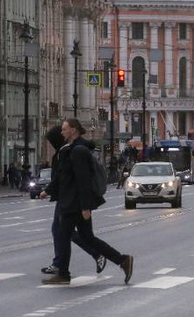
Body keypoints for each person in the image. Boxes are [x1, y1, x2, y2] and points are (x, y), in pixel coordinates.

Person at [41, 118, 134, 286]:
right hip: (73, 201)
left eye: (64, 129)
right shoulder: (71, 149)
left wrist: (85, 207)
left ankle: (63, 274)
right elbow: (64, 176)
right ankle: (122, 260)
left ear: (73, 130)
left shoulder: (78, 151)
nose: (62, 132)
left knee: (62, 235)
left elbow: (82, 180)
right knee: (87, 238)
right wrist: (47, 191)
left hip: (74, 203)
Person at [40, 125, 106, 276]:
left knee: (65, 231)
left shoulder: (68, 152)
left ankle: (94, 255)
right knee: (63, 231)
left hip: (70, 199)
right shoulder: (64, 151)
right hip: (67, 198)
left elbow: (63, 177)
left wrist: (48, 191)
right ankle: (61, 264)